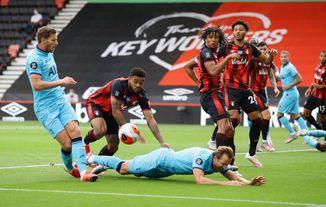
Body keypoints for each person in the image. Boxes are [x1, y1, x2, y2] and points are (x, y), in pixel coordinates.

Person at [26, 26, 97, 182]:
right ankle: (70, 167)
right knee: (67, 144)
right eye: (53, 40)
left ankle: (84, 171)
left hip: (60, 100)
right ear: (43, 39)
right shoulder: (34, 59)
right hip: (45, 107)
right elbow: (36, 85)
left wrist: (59, 84)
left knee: (75, 130)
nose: (57, 43)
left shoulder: (49, 52)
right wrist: (62, 81)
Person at [217, 20, 278, 167]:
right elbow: (214, 61)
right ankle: (227, 156)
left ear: (245, 32)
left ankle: (251, 154)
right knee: (234, 120)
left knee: (257, 119)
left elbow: (266, 61)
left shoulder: (251, 48)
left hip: (245, 89)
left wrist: (271, 56)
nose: (237, 31)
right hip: (230, 88)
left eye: (240, 29)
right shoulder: (226, 48)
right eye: (235, 30)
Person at [184, 27, 239, 170]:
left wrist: (198, 81)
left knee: (230, 129)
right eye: (210, 37)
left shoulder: (210, 53)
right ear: (205, 39)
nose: (213, 39)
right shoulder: (207, 53)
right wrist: (227, 58)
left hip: (216, 93)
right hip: (211, 94)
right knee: (224, 126)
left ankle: (230, 162)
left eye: (216, 37)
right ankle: (220, 164)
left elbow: (188, 66)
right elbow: (213, 70)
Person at [83, 67, 169, 157]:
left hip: (111, 113)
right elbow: (116, 111)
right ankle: (84, 143)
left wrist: (162, 142)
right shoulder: (119, 84)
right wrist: (129, 129)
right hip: (96, 104)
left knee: (113, 146)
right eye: (135, 81)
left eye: (141, 82)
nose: (138, 85)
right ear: (129, 78)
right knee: (101, 130)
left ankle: (97, 162)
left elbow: (150, 120)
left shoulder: (142, 96)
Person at [87, 146, 265, 186]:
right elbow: (199, 180)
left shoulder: (219, 163)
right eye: (223, 163)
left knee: (137, 174)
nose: (224, 167)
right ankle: (92, 157)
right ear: (216, 157)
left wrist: (249, 182)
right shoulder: (202, 157)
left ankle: (102, 165)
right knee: (124, 168)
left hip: (166, 171)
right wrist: (224, 184)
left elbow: (232, 176)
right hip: (160, 159)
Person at [277, 50, 324, 152]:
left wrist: (288, 86)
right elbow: (284, 78)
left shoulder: (290, 67)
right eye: (282, 57)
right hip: (291, 94)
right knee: (296, 116)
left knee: (279, 114)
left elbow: (300, 79)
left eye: (285, 57)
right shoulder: (282, 67)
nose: (283, 58)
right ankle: (308, 136)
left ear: (289, 58)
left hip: (290, 94)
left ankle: (293, 133)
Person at [248, 41, 280, 152]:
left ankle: (259, 142)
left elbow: (271, 75)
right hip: (254, 91)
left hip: (261, 91)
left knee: (261, 118)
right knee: (265, 116)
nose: (262, 51)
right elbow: (247, 74)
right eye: (260, 49)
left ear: (267, 49)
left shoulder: (268, 61)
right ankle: (263, 142)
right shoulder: (254, 60)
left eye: (264, 49)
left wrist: (275, 87)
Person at [302, 51, 326, 138]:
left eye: (324, 56)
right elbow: (315, 80)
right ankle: (319, 129)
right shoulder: (318, 67)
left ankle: (325, 135)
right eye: (321, 56)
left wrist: (321, 86)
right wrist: (310, 88)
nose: (322, 57)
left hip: (323, 97)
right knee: (305, 113)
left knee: (323, 118)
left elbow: (320, 84)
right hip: (313, 95)